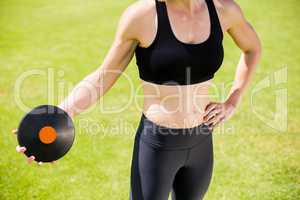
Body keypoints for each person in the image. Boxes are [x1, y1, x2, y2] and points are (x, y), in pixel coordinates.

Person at [15, 0, 261, 199]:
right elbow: (102, 77)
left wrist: (233, 100)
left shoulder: (224, 10)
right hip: (157, 146)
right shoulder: (142, 16)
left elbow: (252, 49)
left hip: (202, 141)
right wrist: (58, 115)